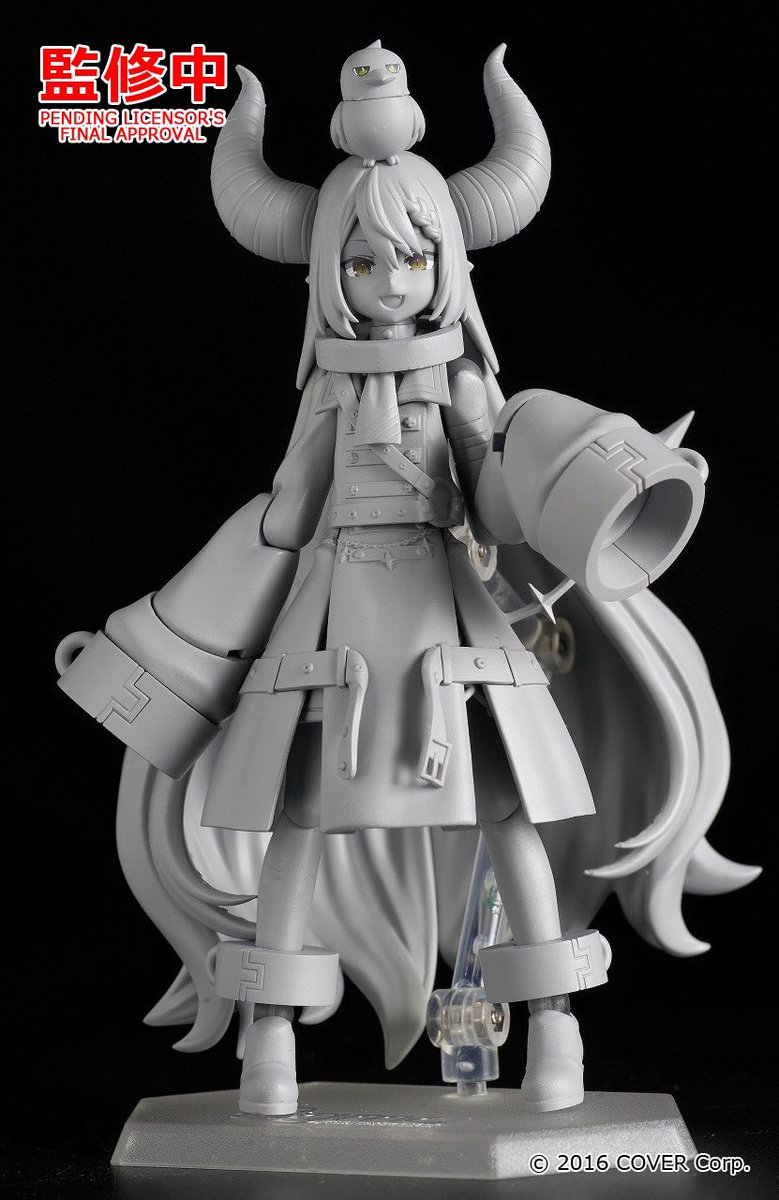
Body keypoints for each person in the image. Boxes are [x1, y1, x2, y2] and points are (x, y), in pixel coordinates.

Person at [57, 44, 758, 1121]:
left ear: (450, 266)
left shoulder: (462, 384)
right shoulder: (327, 395)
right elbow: (288, 511)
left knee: (507, 814)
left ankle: (554, 1032)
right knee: (296, 817)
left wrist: (572, 480)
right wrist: (193, 625)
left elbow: (494, 507)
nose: (390, 284)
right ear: (326, 274)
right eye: (362, 263)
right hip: (332, 624)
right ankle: (270, 1043)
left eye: (414, 258)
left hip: (448, 623)